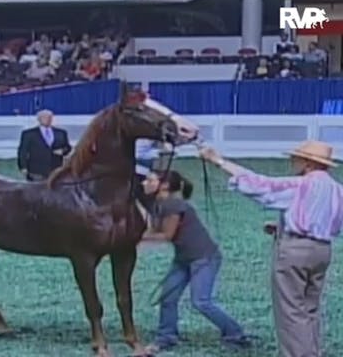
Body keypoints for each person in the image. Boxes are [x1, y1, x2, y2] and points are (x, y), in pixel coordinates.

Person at [199, 140, 343, 357]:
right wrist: (284, 225)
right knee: (309, 308)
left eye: (297, 158)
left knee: (291, 311)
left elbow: (260, 185)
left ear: (308, 163)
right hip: (321, 250)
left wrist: (219, 161)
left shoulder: (301, 185)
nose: (292, 161)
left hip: (294, 250)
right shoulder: (337, 190)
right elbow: (328, 222)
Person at [140, 170, 253, 353]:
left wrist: (136, 239)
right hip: (185, 258)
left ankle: (235, 333)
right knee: (168, 297)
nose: (144, 183)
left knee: (201, 301)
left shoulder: (173, 204)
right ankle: (166, 336)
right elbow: (154, 231)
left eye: (149, 180)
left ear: (164, 185)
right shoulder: (159, 204)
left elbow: (167, 235)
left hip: (204, 257)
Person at [17, 109, 72, 181]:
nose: (48, 119)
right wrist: (23, 167)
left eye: (50, 117)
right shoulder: (29, 134)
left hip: (56, 171)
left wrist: (62, 151)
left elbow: (67, 147)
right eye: (45, 117)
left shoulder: (61, 133)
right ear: (39, 119)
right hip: (36, 171)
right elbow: (22, 151)